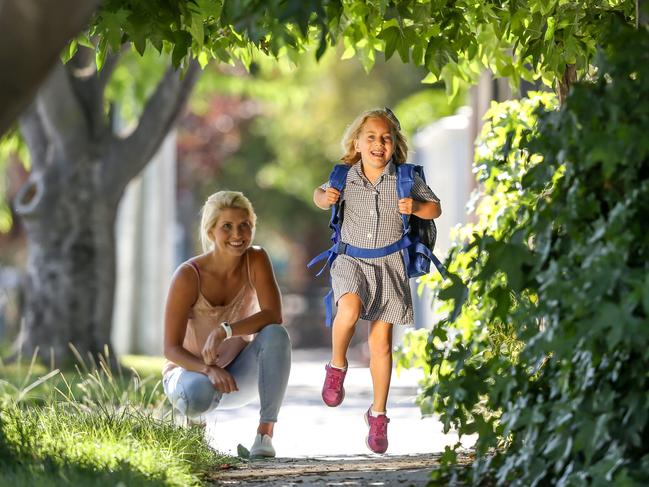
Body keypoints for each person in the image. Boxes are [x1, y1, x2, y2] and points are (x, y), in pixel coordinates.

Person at [312, 108, 442, 454]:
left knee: (381, 344)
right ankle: (337, 365)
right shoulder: (344, 176)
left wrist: (414, 206)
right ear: (356, 142)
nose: (378, 144)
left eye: (385, 138)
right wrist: (325, 198)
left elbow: (435, 208)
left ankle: (378, 414)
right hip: (351, 259)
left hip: (389, 263)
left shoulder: (405, 177)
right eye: (370, 137)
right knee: (349, 309)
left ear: (394, 144)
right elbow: (319, 194)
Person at [162, 190, 291, 458]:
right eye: (227, 227)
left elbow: (273, 314)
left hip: (236, 376)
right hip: (190, 376)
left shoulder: (255, 259)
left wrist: (226, 330)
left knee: (276, 334)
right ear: (211, 232)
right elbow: (171, 349)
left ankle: (264, 435)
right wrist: (207, 370)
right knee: (198, 392)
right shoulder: (188, 276)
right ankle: (195, 427)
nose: (238, 234)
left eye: (245, 225)